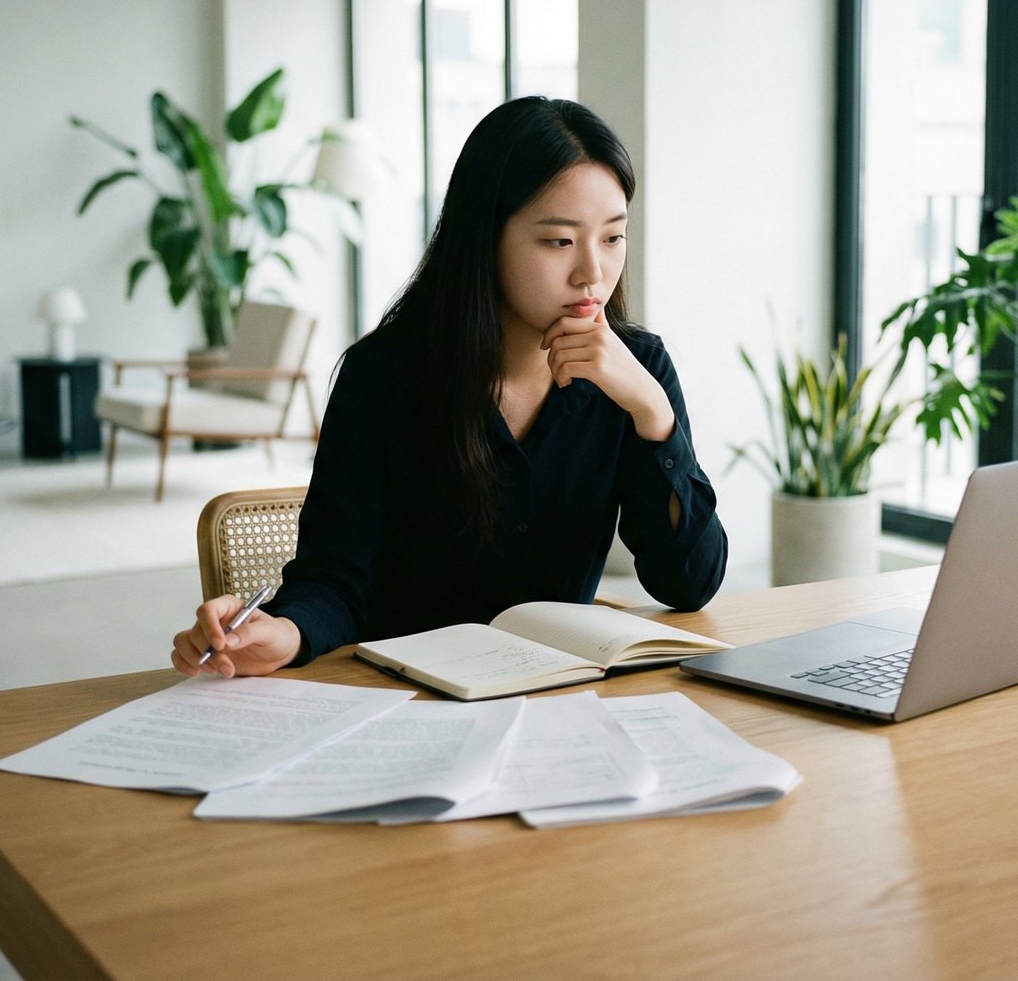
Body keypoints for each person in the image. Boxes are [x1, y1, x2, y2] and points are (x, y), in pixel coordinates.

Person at [171, 96, 728, 678]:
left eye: (613, 238)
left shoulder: (636, 371)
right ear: (485, 238)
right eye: (559, 242)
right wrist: (285, 633)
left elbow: (690, 582)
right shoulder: (382, 376)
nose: (592, 272)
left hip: (561, 701)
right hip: (408, 700)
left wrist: (652, 411)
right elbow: (335, 578)